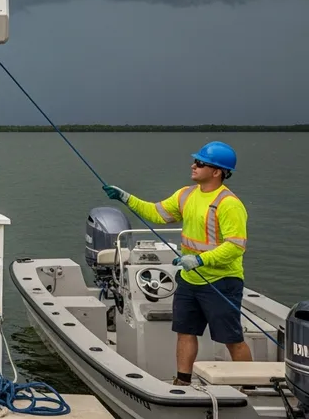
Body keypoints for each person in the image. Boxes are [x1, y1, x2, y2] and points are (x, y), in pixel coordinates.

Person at [102, 141, 250, 386]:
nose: (193, 165)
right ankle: (182, 381)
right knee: (185, 332)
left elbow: (236, 246)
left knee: (231, 338)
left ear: (217, 172)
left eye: (200, 163)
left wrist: (200, 259)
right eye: (195, 160)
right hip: (190, 280)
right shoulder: (186, 194)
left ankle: (250, 387)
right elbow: (157, 213)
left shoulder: (228, 204)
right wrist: (126, 198)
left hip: (221, 283)